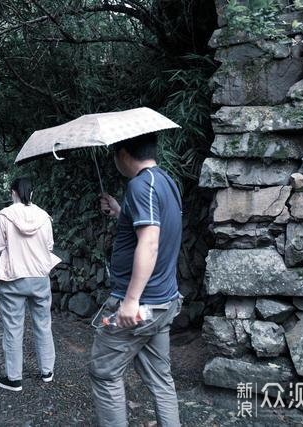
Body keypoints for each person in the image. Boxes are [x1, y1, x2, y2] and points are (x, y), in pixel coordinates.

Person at [89, 132, 183, 427]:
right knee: (160, 379)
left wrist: (129, 302)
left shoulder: (141, 186)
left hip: (140, 307)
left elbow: (151, 242)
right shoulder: (165, 181)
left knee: (104, 373)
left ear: (123, 153)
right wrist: (120, 211)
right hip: (163, 301)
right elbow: (154, 229)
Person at [0, 176, 61, 392]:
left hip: (13, 277)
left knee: (13, 328)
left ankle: (14, 379)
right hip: (39, 277)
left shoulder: (5, 216)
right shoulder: (44, 216)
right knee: (43, 324)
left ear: (13, 192)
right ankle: (47, 371)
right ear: (32, 193)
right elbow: (49, 246)